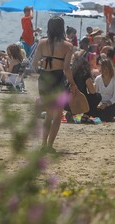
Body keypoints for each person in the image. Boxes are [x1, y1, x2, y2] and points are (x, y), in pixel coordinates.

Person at [32, 16, 76, 154]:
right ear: (62, 28)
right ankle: (49, 145)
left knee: (49, 115)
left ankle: (43, 144)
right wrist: (73, 84)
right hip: (57, 79)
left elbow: (33, 64)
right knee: (57, 115)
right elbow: (66, 69)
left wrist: (43, 66)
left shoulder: (41, 43)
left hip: (44, 78)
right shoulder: (68, 46)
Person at [90, 56, 115, 122]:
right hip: (100, 104)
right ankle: (107, 118)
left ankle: (107, 118)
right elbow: (95, 93)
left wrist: (106, 104)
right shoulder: (98, 79)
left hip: (112, 104)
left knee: (105, 113)